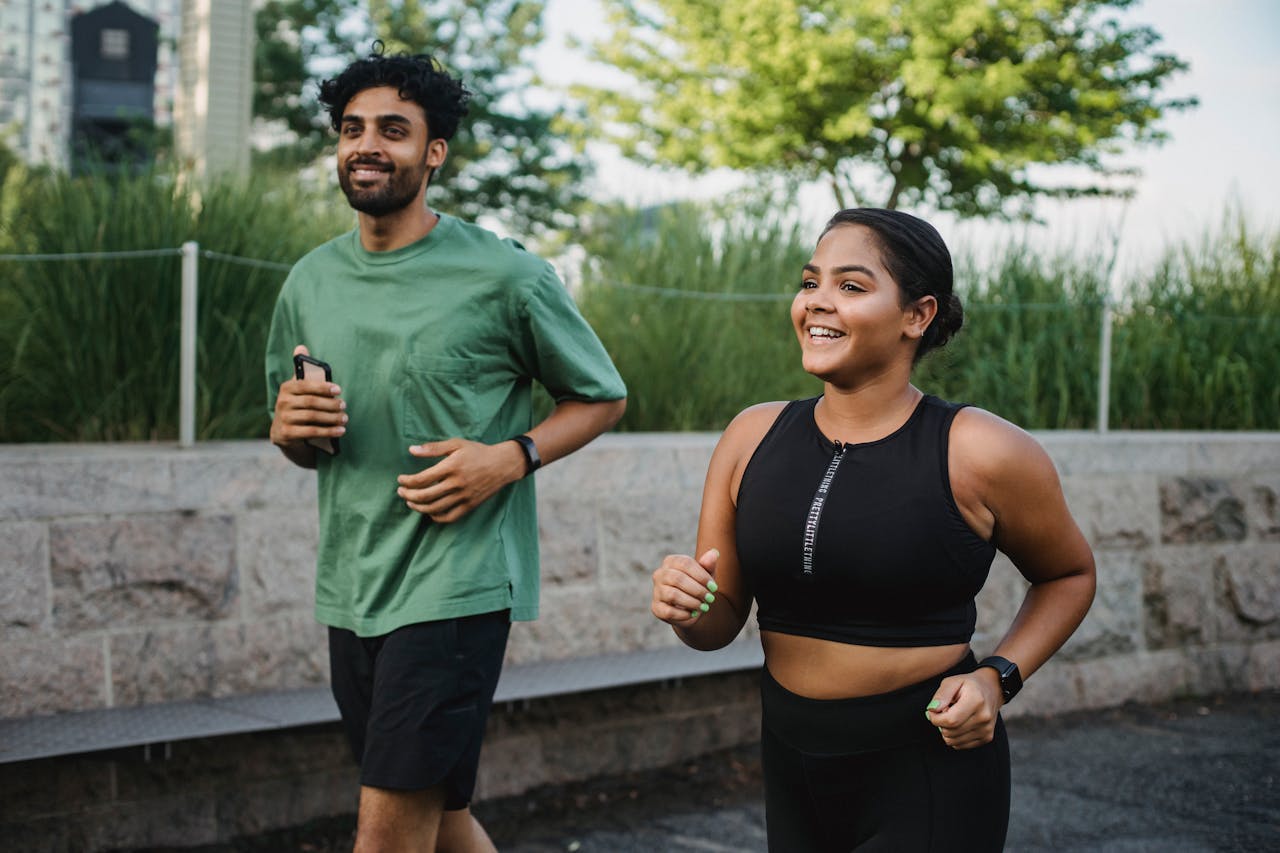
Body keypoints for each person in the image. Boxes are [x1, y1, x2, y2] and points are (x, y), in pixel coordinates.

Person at [265, 48, 626, 853]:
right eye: (352, 128)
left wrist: (510, 456)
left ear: (434, 153)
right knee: (440, 818)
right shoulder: (309, 282)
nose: (367, 144)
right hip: (353, 586)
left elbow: (602, 394)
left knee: (387, 831)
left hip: (455, 589)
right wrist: (289, 431)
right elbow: (297, 438)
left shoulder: (506, 275)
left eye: (394, 130)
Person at [651, 208, 1095, 851]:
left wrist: (997, 678)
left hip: (925, 768)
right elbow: (718, 627)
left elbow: (1070, 574)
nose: (817, 304)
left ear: (918, 315)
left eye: (851, 287)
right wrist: (684, 606)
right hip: (791, 765)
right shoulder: (751, 436)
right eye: (810, 283)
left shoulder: (980, 450)